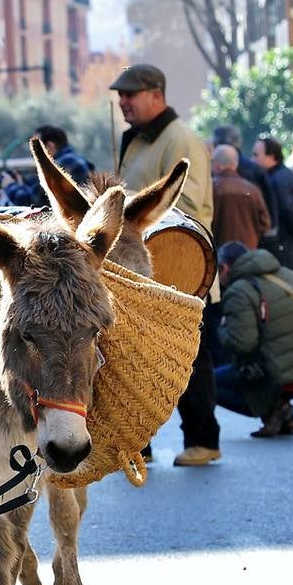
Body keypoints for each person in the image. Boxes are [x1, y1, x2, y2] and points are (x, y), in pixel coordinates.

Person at [111, 63, 218, 466]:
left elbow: (184, 208)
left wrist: (130, 204)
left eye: (130, 94)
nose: (123, 102)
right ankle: (138, 445)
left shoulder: (181, 139)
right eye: (120, 95)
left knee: (191, 366)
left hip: (183, 272)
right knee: (138, 368)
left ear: (157, 95)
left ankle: (203, 440)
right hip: (145, 276)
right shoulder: (137, 140)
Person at [213, 241, 293, 437]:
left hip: (282, 376)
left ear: (225, 268)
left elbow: (243, 343)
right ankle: (283, 413)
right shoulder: (286, 274)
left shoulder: (238, 291)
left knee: (209, 383)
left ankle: (274, 409)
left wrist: (223, 329)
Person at [253, 136, 293, 295]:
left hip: (289, 252)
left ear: (271, 156)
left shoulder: (276, 179)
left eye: (256, 155)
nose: (253, 159)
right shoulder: (287, 174)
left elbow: (290, 212)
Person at [213, 125, 278, 236]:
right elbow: (269, 214)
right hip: (252, 240)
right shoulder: (257, 170)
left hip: (220, 241)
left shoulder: (214, 180)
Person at [210, 144, 270, 250]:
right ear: (235, 164)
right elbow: (265, 224)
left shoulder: (210, 188)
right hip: (248, 252)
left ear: (217, 164)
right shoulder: (253, 190)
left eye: (212, 162)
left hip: (218, 253)